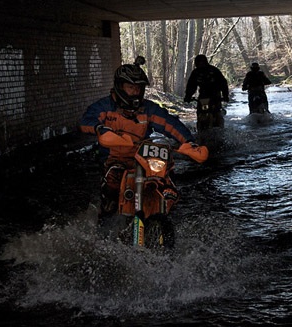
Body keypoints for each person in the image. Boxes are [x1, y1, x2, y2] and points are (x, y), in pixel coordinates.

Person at [80, 62, 201, 225]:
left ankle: (162, 211)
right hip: (113, 159)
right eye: (131, 87)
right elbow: (85, 121)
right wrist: (100, 129)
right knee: (111, 190)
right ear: (120, 87)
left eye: (139, 88)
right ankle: (105, 227)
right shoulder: (104, 106)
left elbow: (170, 123)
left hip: (142, 156)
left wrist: (190, 143)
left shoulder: (148, 108)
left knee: (164, 172)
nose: (135, 92)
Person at [184, 54, 229, 131]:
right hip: (204, 98)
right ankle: (201, 130)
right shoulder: (196, 73)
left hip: (215, 97)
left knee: (217, 112)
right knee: (201, 113)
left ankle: (220, 130)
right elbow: (191, 86)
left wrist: (225, 95)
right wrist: (188, 96)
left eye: (202, 62)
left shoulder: (214, 71)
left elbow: (223, 83)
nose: (200, 64)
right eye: (199, 63)